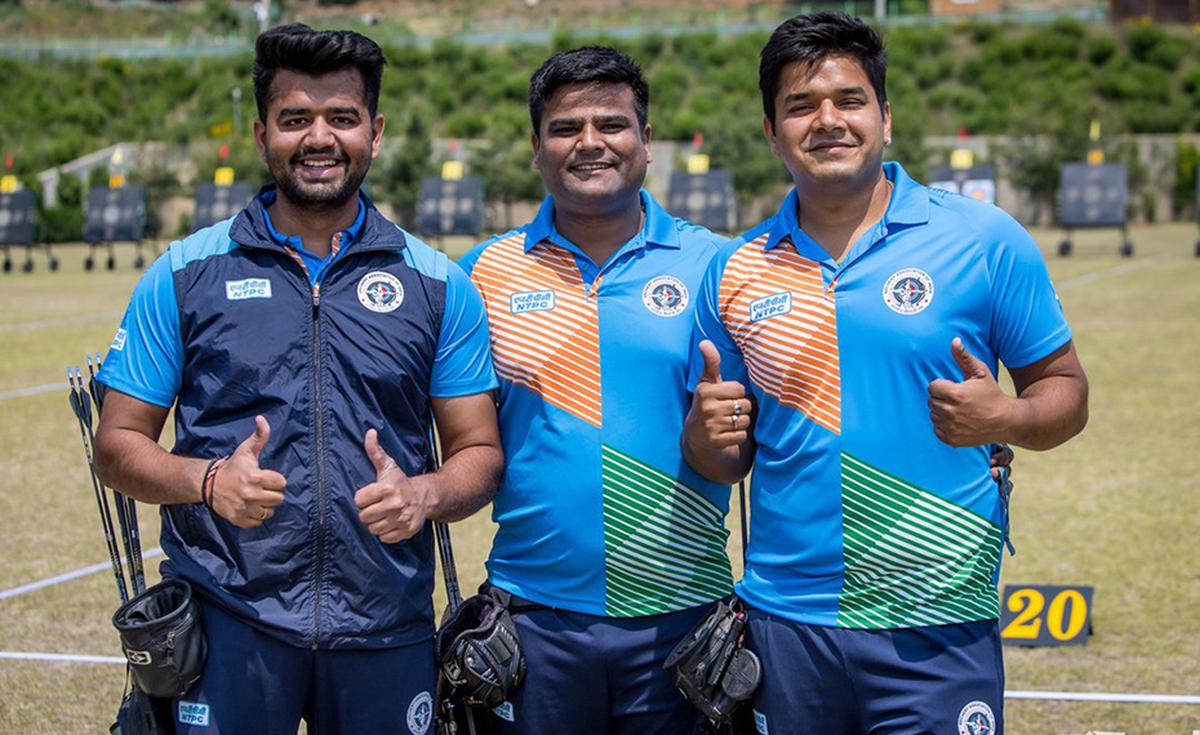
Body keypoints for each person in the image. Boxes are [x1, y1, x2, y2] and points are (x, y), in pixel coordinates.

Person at [682, 13, 1088, 735]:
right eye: (800, 106)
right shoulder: (734, 268)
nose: (827, 120)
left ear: (886, 117)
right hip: (787, 621)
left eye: (849, 100)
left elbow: (1067, 392)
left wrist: (1008, 419)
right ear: (772, 132)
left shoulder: (983, 239)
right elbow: (724, 458)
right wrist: (705, 435)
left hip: (937, 622)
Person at [93, 24, 502, 735]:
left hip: (385, 625)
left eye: (341, 118)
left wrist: (423, 493)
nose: (319, 137)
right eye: (295, 120)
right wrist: (208, 481)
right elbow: (116, 443)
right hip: (229, 623)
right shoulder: (185, 273)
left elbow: (480, 451)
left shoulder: (439, 282)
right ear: (261, 135)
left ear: (374, 132)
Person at [456, 46, 731, 734]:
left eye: (612, 124)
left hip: (683, 619)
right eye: (564, 127)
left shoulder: (719, 264)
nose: (590, 143)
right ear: (535, 146)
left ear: (645, 141)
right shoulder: (481, 273)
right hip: (534, 617)